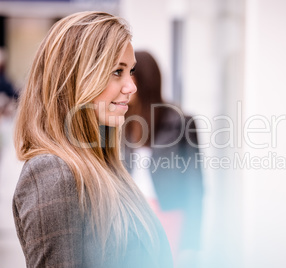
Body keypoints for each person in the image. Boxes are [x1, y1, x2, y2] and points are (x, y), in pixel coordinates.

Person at [12, 11, 173, 268]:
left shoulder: (105, 166)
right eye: (117, 71)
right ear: (75, 78)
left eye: (130, 71)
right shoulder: (52, 172)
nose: (131, 87)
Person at [122, 51, 203, 267]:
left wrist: (192, 244)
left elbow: (196, 187)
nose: (123, 85)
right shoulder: (121, 121)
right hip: (131, 216)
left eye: (127, 76)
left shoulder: (182, 123)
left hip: (168, 215)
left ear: (141, 82)